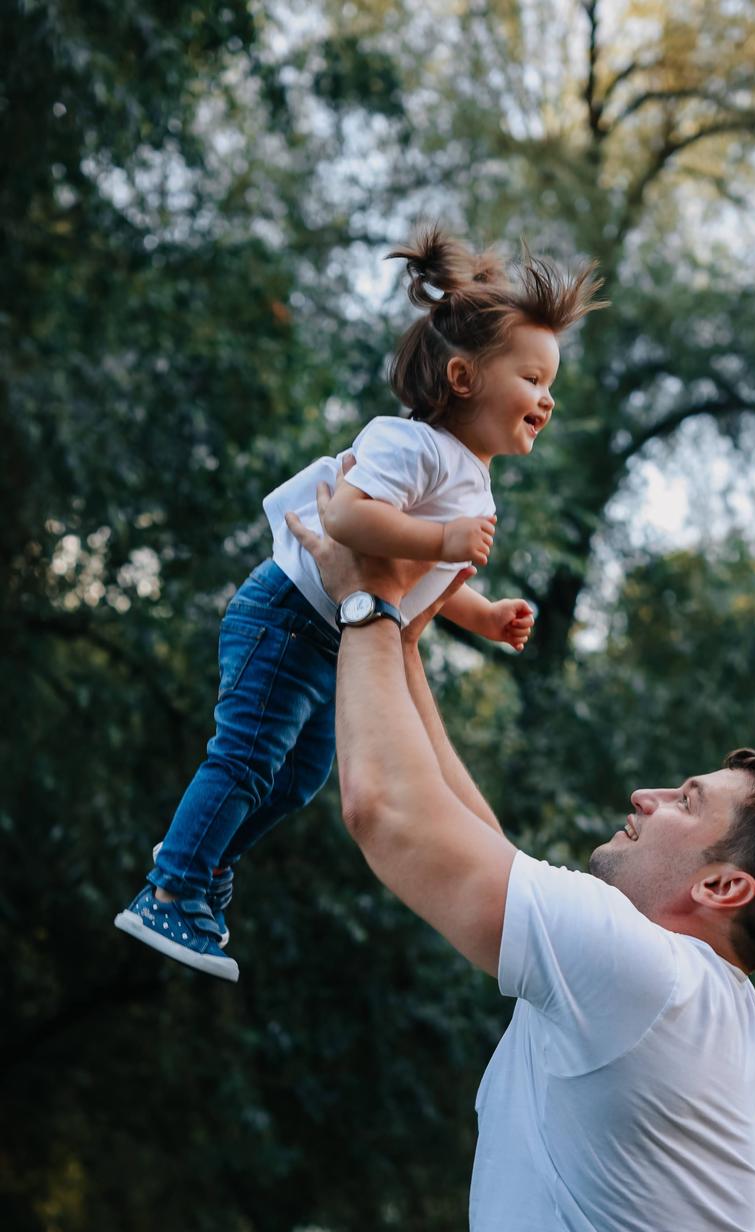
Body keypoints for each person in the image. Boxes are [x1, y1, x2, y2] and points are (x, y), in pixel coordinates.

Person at [283, 490, 755, 1232]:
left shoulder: (644, 977)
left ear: (722, 888)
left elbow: (388, 815)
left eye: (685, 804)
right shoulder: (659, 982)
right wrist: (405, 637)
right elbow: (473, 840)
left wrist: (362, 606)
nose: (645, 796)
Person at [114, 228, 605, 981]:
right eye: (534, 378)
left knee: (298, 778)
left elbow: (412, 581)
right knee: (247, 757)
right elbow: (347, 519)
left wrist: (483, 613)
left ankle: (199, 855)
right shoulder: (410, 443)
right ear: (463, 376)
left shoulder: (469, 478)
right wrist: (445, 539)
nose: (548, 397)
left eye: (552, 384)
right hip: (287, 617)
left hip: (333, 641)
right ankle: (172, 888)